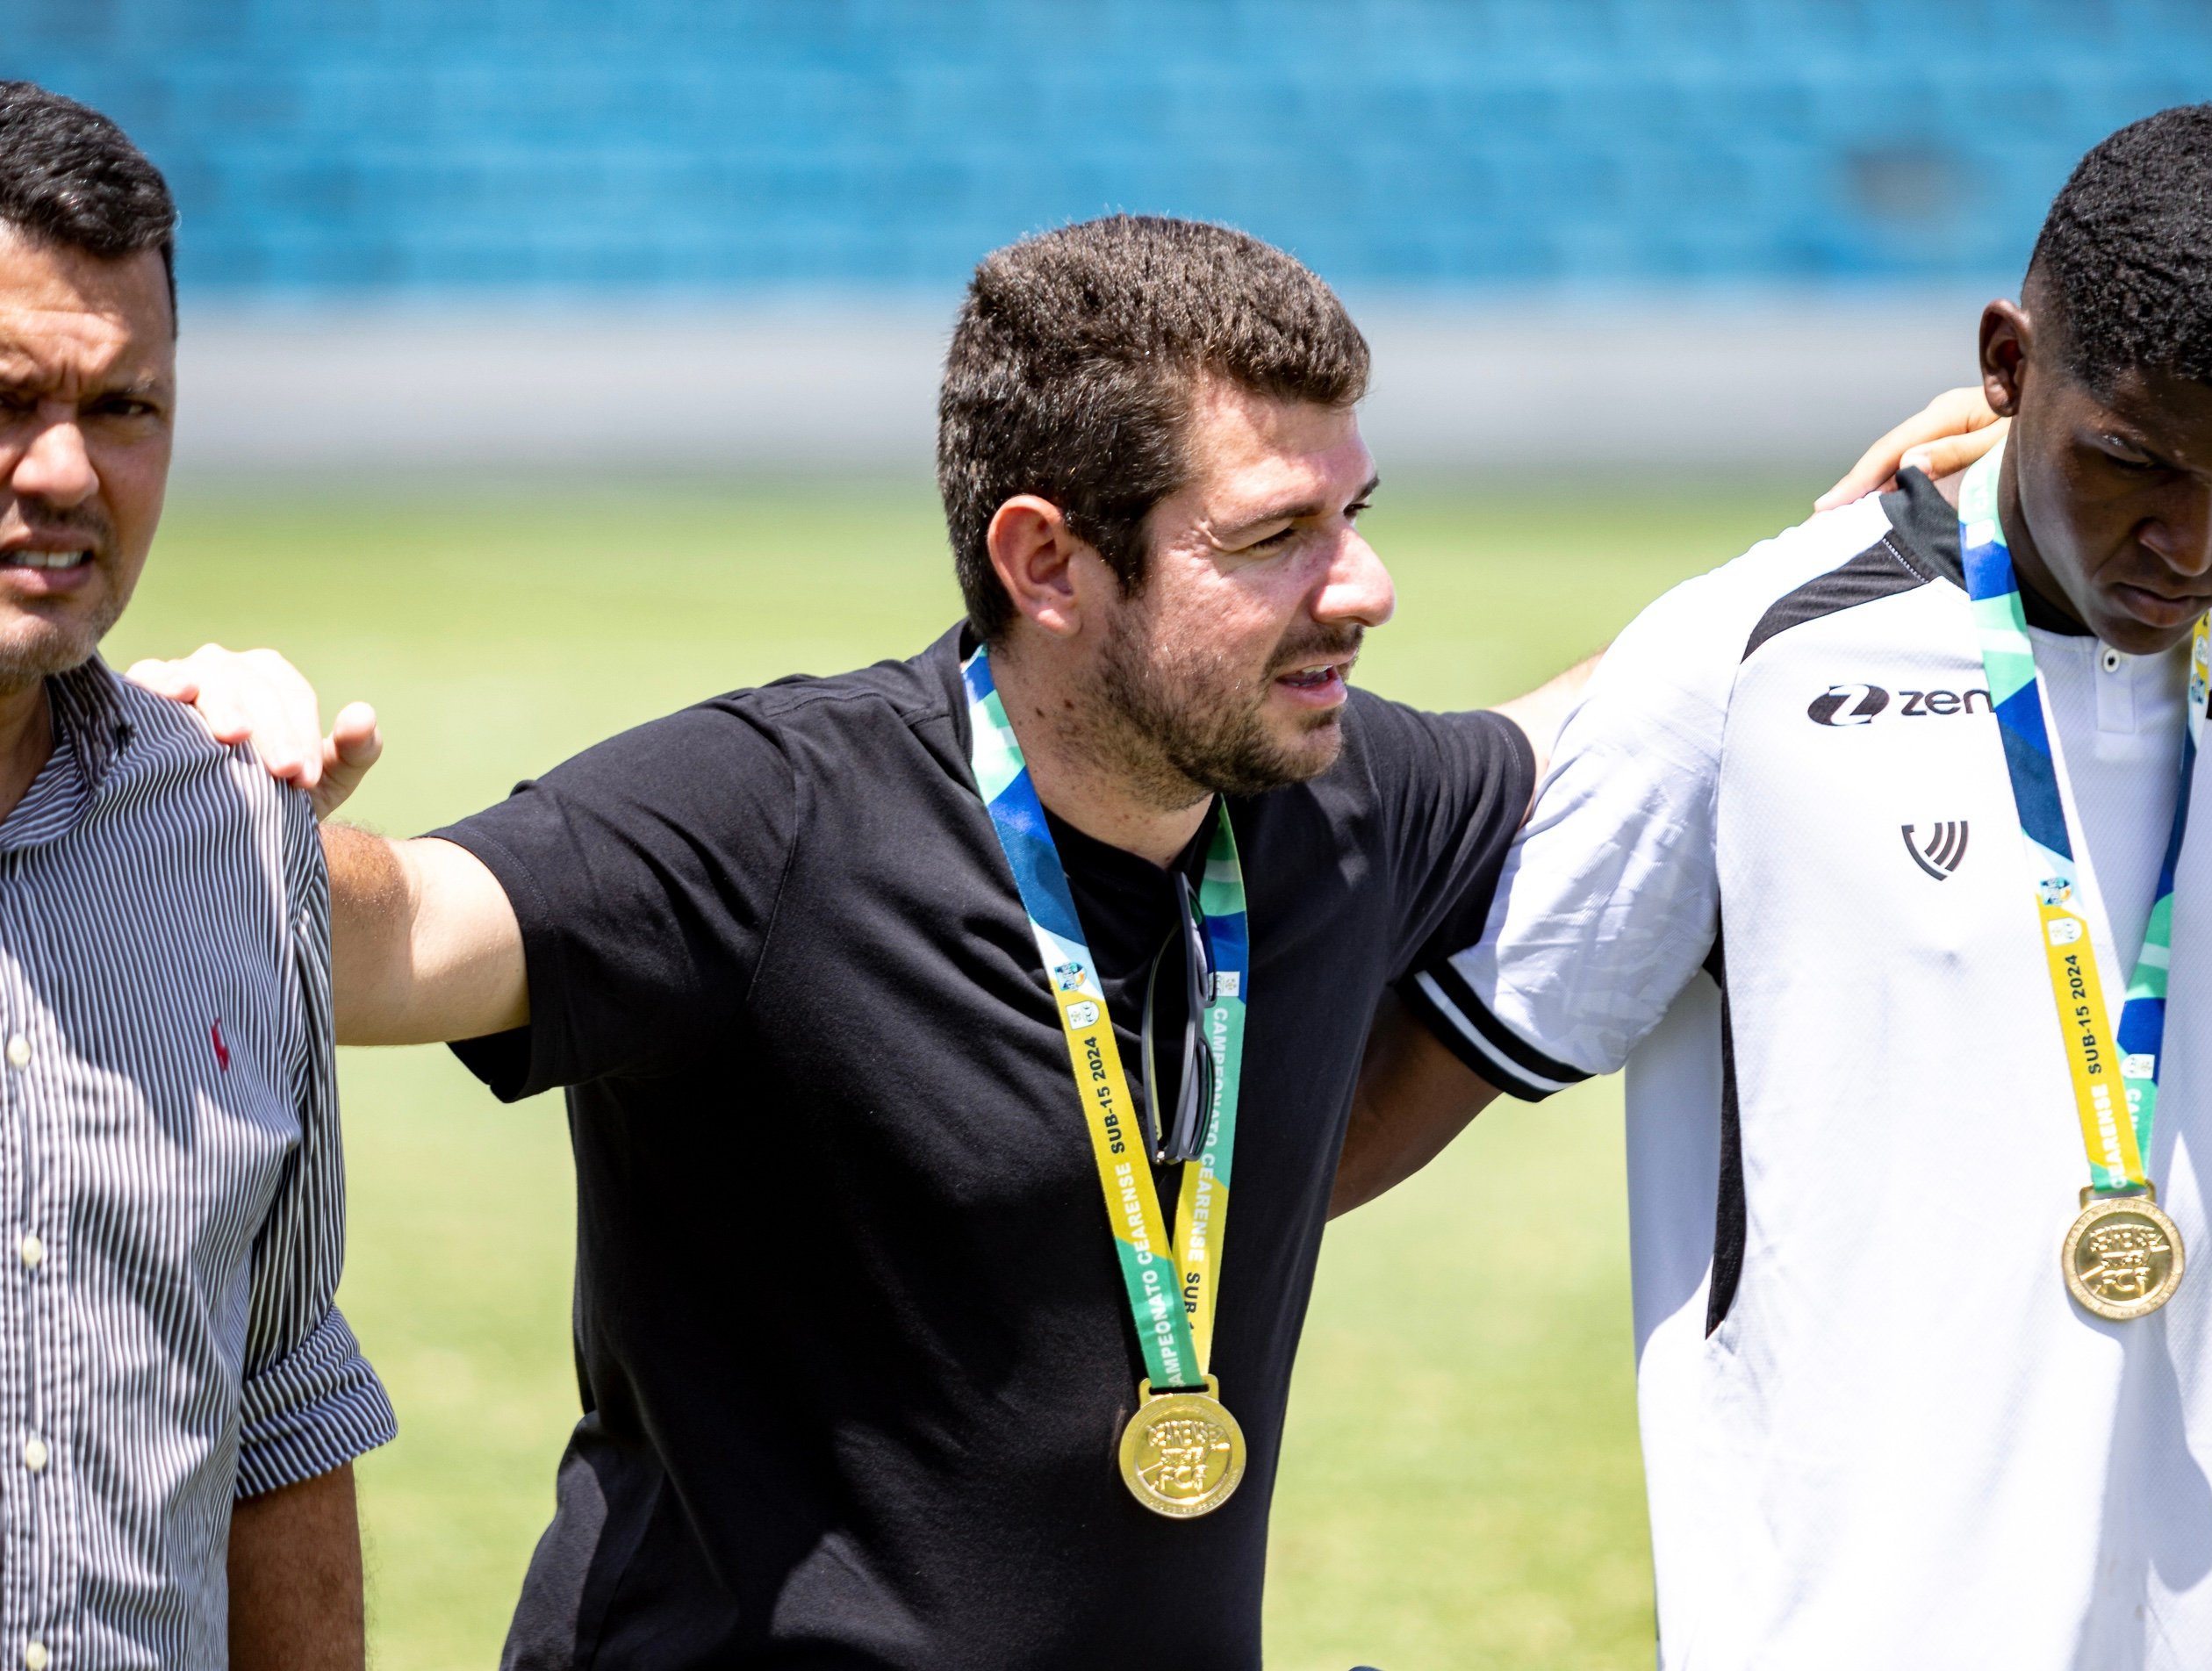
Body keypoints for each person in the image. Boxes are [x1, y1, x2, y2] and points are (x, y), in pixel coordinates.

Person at [142, 223, 2011, 1662]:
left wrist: (1837, 550)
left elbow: (1593, 719)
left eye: (1355, 516)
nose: (1359, 589)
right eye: (1275, 536)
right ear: (1046, 561)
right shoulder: (766, 816)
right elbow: (402, 935)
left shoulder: (1337, 796)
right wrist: (213, 780)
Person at [1342, 105, 2212, 1667]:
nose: (2194, 541)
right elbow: (1393, 1106)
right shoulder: (1747, 662)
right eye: (2131, 463)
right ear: (2006, 367)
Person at [0, 83, 395, 1671]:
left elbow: (280, 1395)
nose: (64, 474)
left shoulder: (236, 835)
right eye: (9, 396)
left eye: (124, 409)